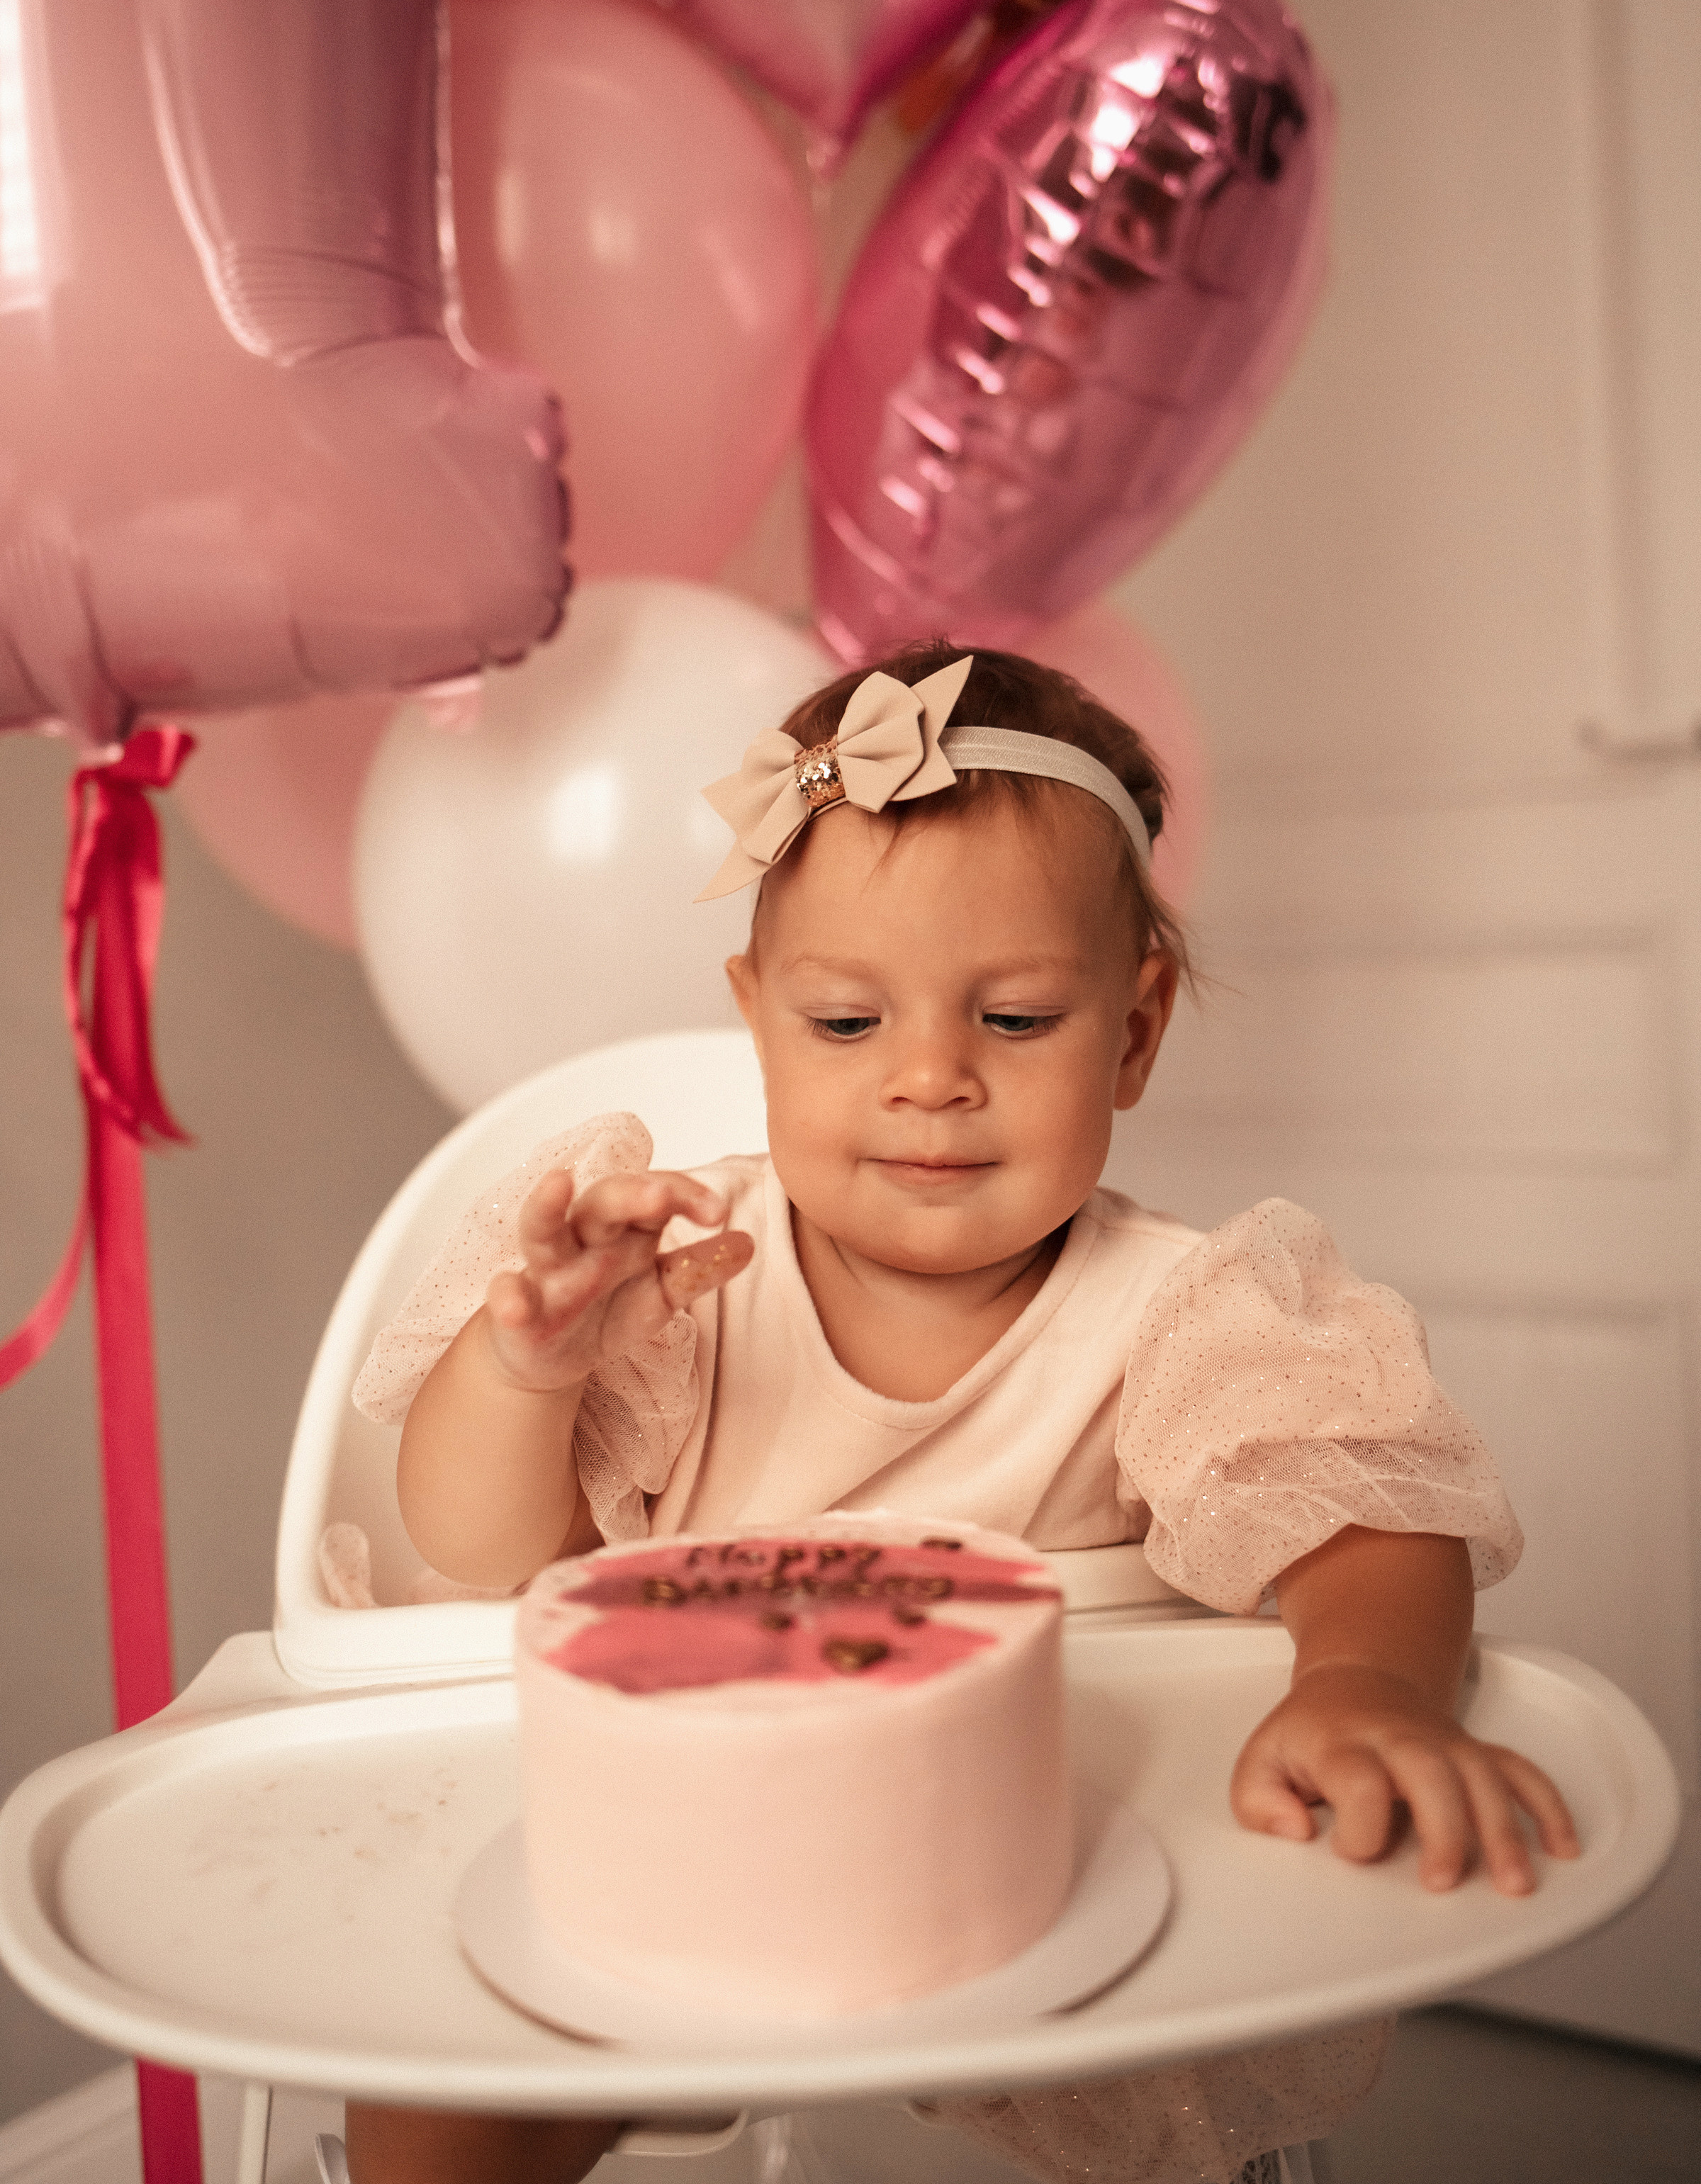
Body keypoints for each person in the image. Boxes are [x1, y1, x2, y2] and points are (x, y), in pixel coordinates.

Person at [344, 644, 1577, 2184]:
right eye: (849, 1026)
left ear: (1134, 1031)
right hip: (685, 1835)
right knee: (429, 2117)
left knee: (1175, 2078)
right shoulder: (679, 1279)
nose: (931, 1081)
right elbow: (477, 1546)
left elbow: (1371, 1512)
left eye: (1014, 1022)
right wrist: (530, 1370)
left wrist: (1365, 1682)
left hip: (1048, 1856)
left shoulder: (1182, 1315)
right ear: (758, 1019)